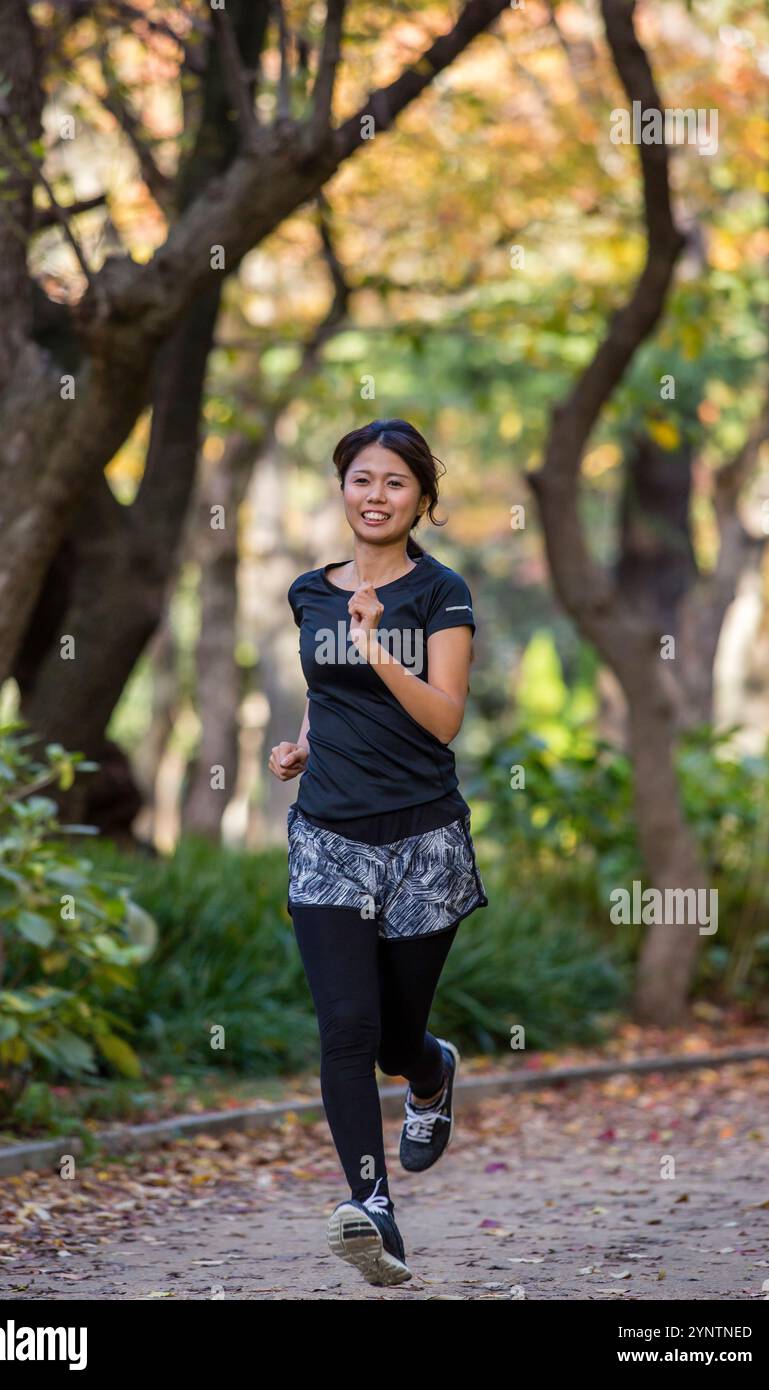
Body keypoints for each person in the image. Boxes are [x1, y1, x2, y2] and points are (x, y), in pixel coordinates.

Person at [268, 418, 488, 1287]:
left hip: (422, 840)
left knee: (397, 1039)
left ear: (420, 500)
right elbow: (331, 699)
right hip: (328, 837)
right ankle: (375, 1210)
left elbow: (443, 716)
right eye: (362, 478)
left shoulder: (443, 592)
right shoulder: (307, 591)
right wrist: (301, 746)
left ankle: (431, 1075)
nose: (375, 495)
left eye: (395, 482)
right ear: (343, 488)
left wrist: (373, 644)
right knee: (347, 1029)